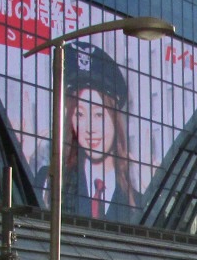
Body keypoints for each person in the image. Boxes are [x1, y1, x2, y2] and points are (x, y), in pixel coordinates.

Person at [34, 44, 140, 221]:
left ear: (115, 119)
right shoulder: (48, 181)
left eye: (99, 114)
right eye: (80, 114)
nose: (90, 128)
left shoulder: (135, 201)